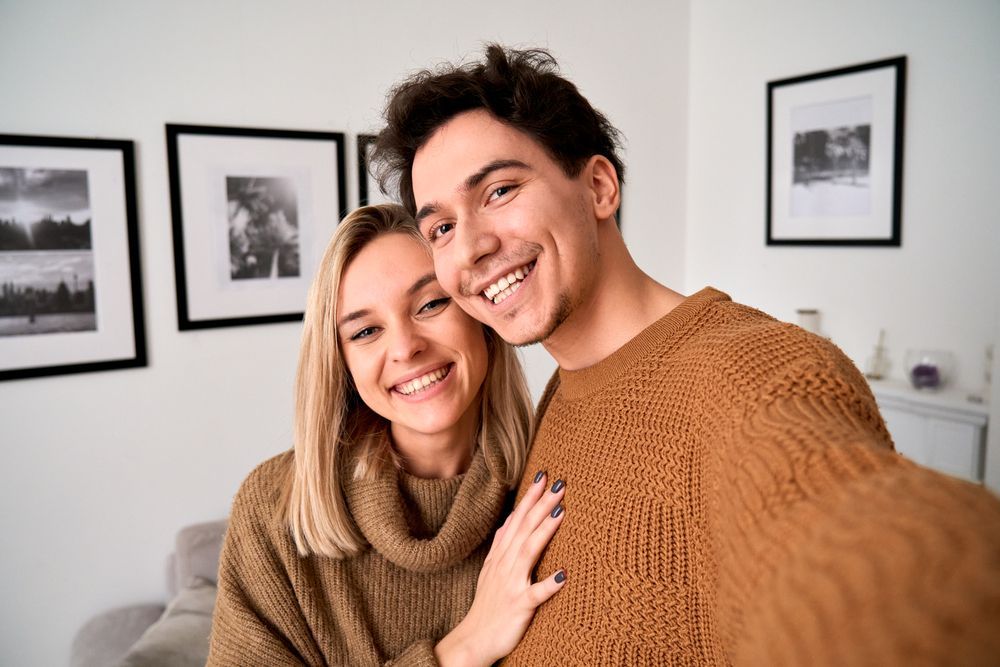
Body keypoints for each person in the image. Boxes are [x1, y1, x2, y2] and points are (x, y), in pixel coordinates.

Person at [372, 45, 1000, 665]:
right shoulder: (562, 393)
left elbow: (861, 553)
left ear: (598, 186)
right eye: (441, 229)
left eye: (500, 190)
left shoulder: (755, 370)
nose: (471, 248)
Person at [209, 204, 569, 666]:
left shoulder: (547, 483)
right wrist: (466, 647)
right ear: (341, 364)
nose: (404, 348)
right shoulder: (275, 506)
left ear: (481, 315)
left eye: (431, 304)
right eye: (365, 331)